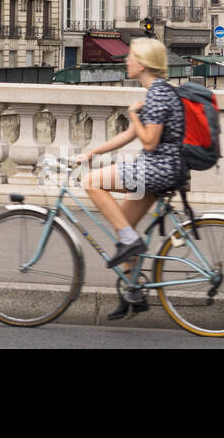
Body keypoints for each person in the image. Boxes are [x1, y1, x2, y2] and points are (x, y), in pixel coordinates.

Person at [72, 36, 185, 321]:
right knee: (124, 227)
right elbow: (129, 136)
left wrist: (133, 114)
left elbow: (148, 141)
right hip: (158, 168)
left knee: (92, 183)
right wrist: (92, 152)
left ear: (144, 64)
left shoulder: (158, 94)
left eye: (131, 57)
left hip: (157, 169)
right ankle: (131, 292)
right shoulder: (156, 91)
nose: (127, 61)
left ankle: (130, 244)